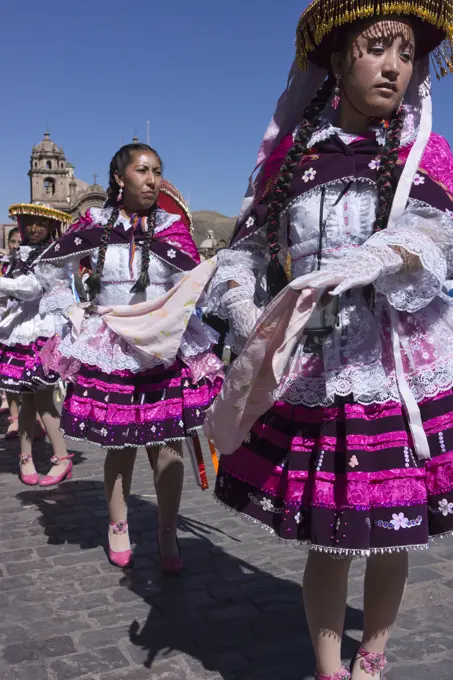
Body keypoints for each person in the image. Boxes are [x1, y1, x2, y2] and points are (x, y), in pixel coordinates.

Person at [204, 2, 453, 678]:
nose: (395, 67)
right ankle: (328, 667)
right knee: (329, 534)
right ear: (338, 59)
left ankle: (372, 653)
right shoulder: (291, 161)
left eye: (405, 54)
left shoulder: (418, 152)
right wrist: (241, 300)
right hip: (311, 358)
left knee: (392, 527)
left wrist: (386, 254)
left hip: (391, 359)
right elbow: (245, 249)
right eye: (377, 48)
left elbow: (436, 232)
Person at [40, 143, 223, 573]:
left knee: (167, 447)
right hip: (113, 350)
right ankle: (118, 525)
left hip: (163, 351)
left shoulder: (173, 227)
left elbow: (195, 281)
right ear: (120, 178)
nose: (152, 179)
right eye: (142, 171)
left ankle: (165, 528)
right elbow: (50, 268)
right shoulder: (93, 222)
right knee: (120, 448)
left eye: (157, 171)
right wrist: (70, 308)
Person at [0, 203, 74, 486]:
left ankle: (62, 457)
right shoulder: (21, 254)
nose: (34, 228)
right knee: (25, 398)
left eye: (41, 223)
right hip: (22, 328)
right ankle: (25, 456)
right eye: (30, 222)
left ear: (51, 227)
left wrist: (2, 284)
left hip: (43, 329)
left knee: (44, 398)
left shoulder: (53, 256)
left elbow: (32, 289)